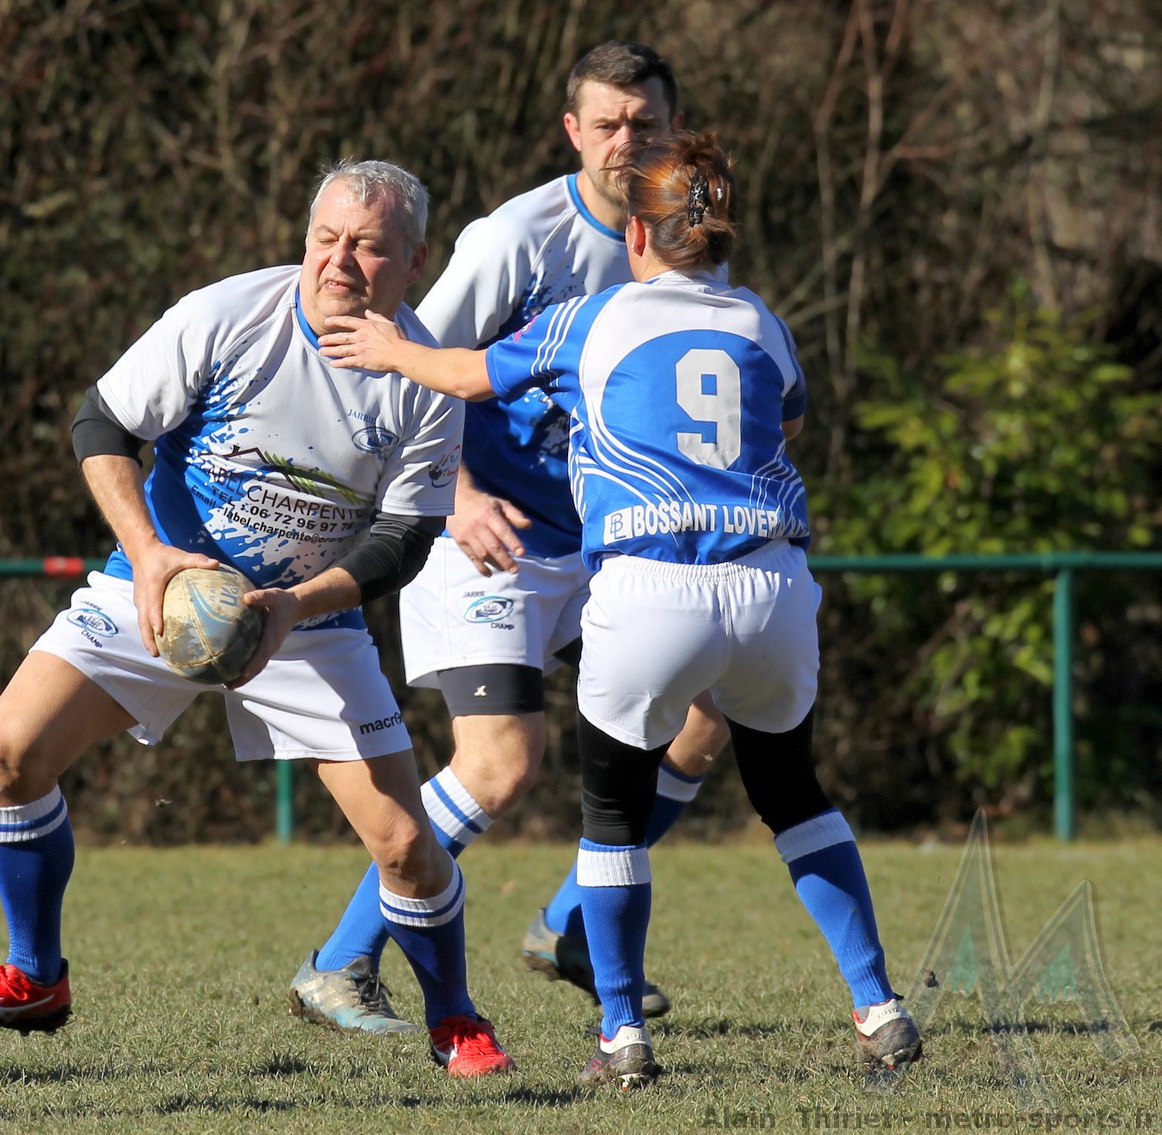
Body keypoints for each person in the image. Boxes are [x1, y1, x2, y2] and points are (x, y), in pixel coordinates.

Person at [316, 131, 923, 1087]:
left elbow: (469, 377)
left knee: (609, 817)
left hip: (652, 588)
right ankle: (879, 1003)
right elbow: (788, 418)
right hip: (772, 584)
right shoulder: (763, 323)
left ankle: (621, 1033)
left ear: (637, 235)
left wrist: (391, 346)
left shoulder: (595, 317)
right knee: (795, 796)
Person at [0, 158, 515, 1079]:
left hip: (308, 620)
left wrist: (292, 607)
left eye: (367, 245)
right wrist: (150, 555)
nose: (339, 260)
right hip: (162, 587)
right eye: (325, 238)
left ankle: (456, 1021)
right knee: (9, 753)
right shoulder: (228, 315)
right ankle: (33, 976)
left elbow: (405, 540)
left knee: (403, 843)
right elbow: (102, 424)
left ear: (415, 260)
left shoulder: (424, 374)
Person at [287, 40, 725, 1036]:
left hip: (607, 542)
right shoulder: (517, 239)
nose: (627, 141)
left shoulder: (688, 235)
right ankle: (340, 963)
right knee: (500, 763)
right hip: (487, 533)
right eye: (607, 123)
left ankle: (570, 926)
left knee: (707, 712)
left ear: (673, 128)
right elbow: (400, 359)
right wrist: (459, 492)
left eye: (646, 123)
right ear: (573, 131)